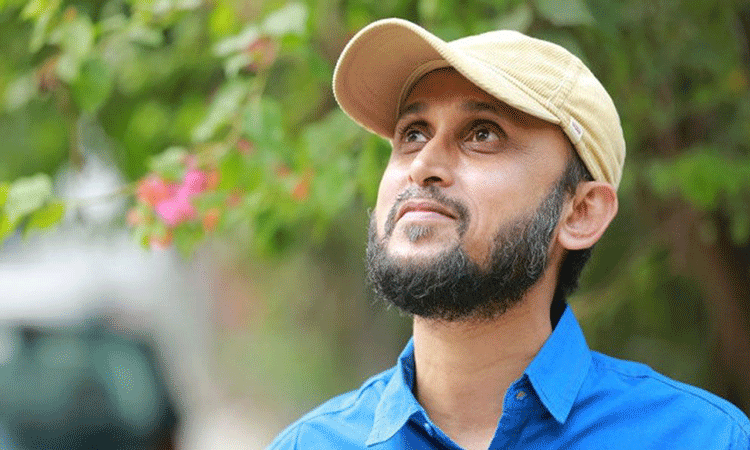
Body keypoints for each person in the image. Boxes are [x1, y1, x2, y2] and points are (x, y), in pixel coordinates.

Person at [267, 18, 750, 450]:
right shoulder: (309, 445)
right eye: (413, 133)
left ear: (581, 213)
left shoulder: (704, 439)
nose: (423, 165)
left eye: (483, 134)